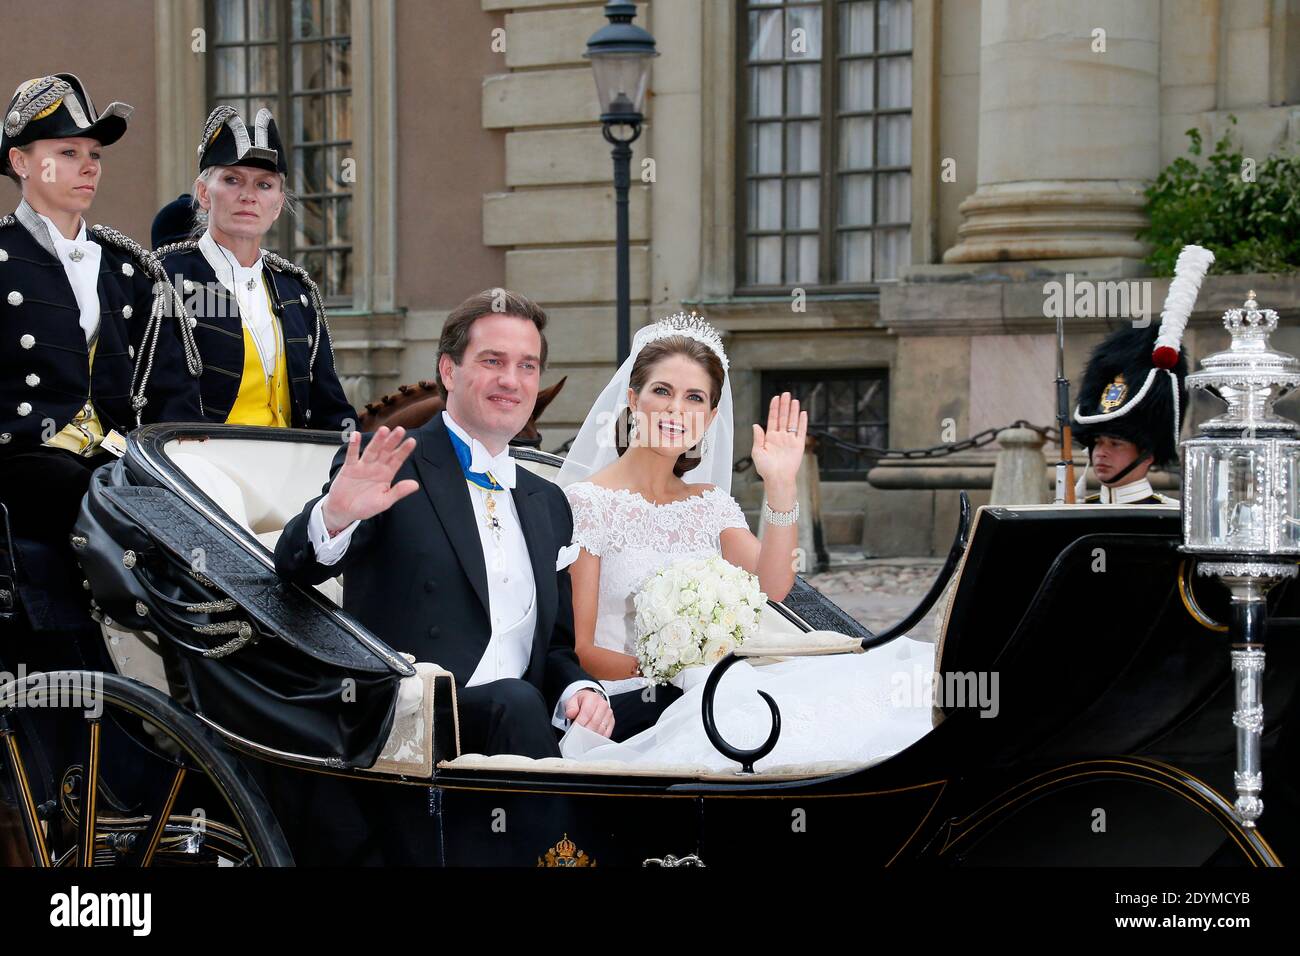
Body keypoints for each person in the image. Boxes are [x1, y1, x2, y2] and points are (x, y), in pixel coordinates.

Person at [554, 314, 936, 770]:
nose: (677, 409)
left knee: (873, 692)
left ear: (711, 416)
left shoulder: (709, 504)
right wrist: (674, 672)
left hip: (719, 683)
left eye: (695, 397)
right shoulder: (586, 504)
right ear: (633, 400)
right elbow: (583, 650)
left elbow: (773, 586)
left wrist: (781, 486)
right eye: (662, 391)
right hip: (637, 694)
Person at [273, 289, 629, 759]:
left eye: (527, 366)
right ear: (448, 370)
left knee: (656, 710)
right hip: (412, 723)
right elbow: (293, 569)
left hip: (519, 726)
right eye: (492, 361)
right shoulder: (392, 466)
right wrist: (335, 515)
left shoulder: (549, 502)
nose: (512, 380)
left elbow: (556, 650)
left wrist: (579, 692)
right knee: (517, 701)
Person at [0, 72, 203, 637]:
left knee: (202, 506)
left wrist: (182, 459)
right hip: (24, 464)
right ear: (21, 162)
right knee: (98, 497)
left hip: (118, 461)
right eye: (67, 152)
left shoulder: (129, 265)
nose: (89, 166)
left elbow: (171, 387)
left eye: (93, 154)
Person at [155, 106, 354, 431]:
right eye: (233, 180)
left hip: (295, 465)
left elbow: (327, 405)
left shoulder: (297, 290)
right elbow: (164, 404)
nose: (248, 195)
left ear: (277, 204)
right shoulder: (167, 278)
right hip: (201, 469)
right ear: (204, 194)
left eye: (264, 185)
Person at [1072, 321, 1187, 504]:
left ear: (1147, 455)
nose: (1101, 453)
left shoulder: (1170, 517)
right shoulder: (1076, 511)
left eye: (1115, 444)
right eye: (1098, 442)